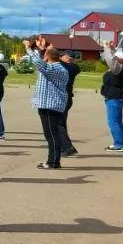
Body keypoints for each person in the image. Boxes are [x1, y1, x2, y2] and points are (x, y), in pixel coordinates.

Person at [24, 37, 70, 170]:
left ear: (48, 58)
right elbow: (43, 63)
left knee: (51, 134)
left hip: (51, 105)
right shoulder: (55, 67)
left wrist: (29, 48)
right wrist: (42, 49)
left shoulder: (54, 69)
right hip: (48, 104)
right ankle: (52, 160)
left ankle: (54, 161)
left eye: (45, 55)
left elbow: (39, 63)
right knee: (50, 134)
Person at [100, 35, 123, 152]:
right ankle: (119, 143)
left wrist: (106, 47)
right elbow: (109, 59)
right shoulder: (117, 67)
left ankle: (119, 144)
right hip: (114, 96)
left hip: (114, 97)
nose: (114, 58)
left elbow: (110, 60)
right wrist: (111, 49)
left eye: (116, 57)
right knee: (116, 121)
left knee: (113, 122)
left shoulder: (120, 68)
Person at [57, 50, 81, 158]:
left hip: (64, 99)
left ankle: (67, 147)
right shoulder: (69, 66)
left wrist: (56, 57)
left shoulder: (71, 67)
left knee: (58, 124)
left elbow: (59, 63)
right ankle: (65, 147)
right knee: (61, 123)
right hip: (65, 98)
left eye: (63, 56)